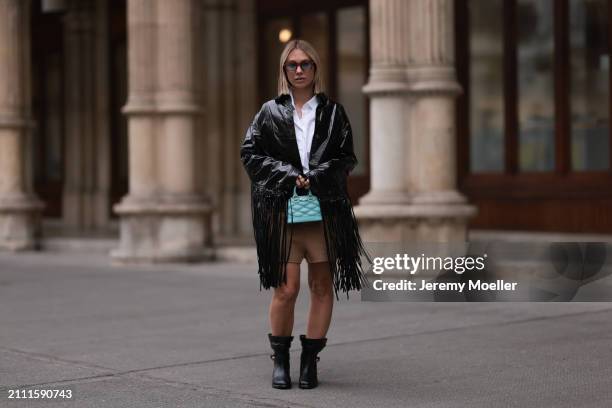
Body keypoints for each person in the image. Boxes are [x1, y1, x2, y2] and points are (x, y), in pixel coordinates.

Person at [240, 39, 370, 390]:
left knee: (322, 285)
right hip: (282, 211)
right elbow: (250, 154)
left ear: (316, 68)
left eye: (305, 64)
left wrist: (315, 176)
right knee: (286, 288)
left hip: (323, 210)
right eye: (292, 65)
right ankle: (280, 359)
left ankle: (309, 360)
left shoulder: (333, 112)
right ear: (284, 70)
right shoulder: (269, 112)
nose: (299, 70)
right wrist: (287, 174)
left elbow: (346, 158)